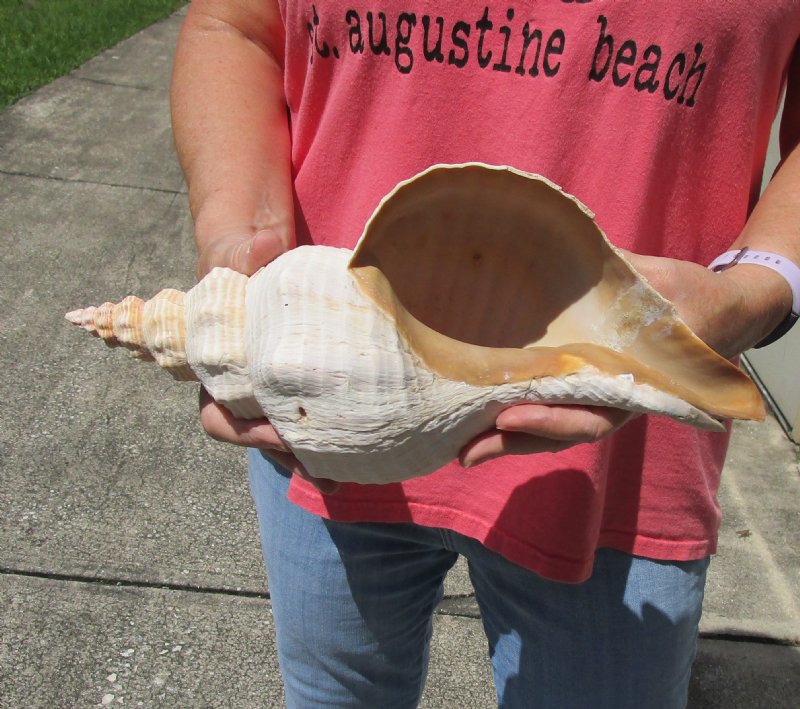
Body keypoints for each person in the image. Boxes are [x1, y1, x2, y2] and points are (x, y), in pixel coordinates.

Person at [170, 2, 800, 706]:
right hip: (324, 408)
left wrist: (757, 290)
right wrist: (240, 236)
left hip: (628, 466)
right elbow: (236, 24)